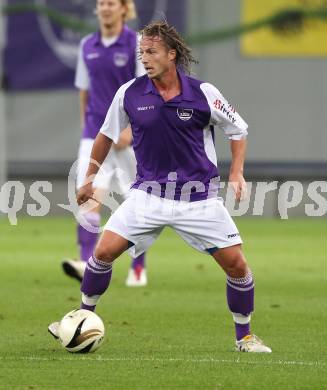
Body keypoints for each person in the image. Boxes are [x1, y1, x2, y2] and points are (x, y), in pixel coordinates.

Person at [50, 20, 271, 353]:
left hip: (198, 199)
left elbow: (237, 130)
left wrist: (237, 172)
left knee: (237, 266)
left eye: (151, 52)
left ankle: (245, 337)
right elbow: (105, 135)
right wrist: (90, 177)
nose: (145, 58)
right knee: (103, 252)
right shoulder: (130, 93)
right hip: (147, 195)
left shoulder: (203, 93)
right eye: (142, 53)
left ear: (172, 54)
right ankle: (81, 318)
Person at [62, 0, 147, 287]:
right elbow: (84, 93)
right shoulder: (87, 45)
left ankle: (138, 266)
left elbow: (144, 91)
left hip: (127, 139)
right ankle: (86, 262)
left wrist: (133, 131)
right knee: (88, 195)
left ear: (124, 8)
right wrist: (88, 128)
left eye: (111, 3)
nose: (106, 8)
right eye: (101, 3)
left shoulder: (135, 44)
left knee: (137, 203)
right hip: (95, 136)